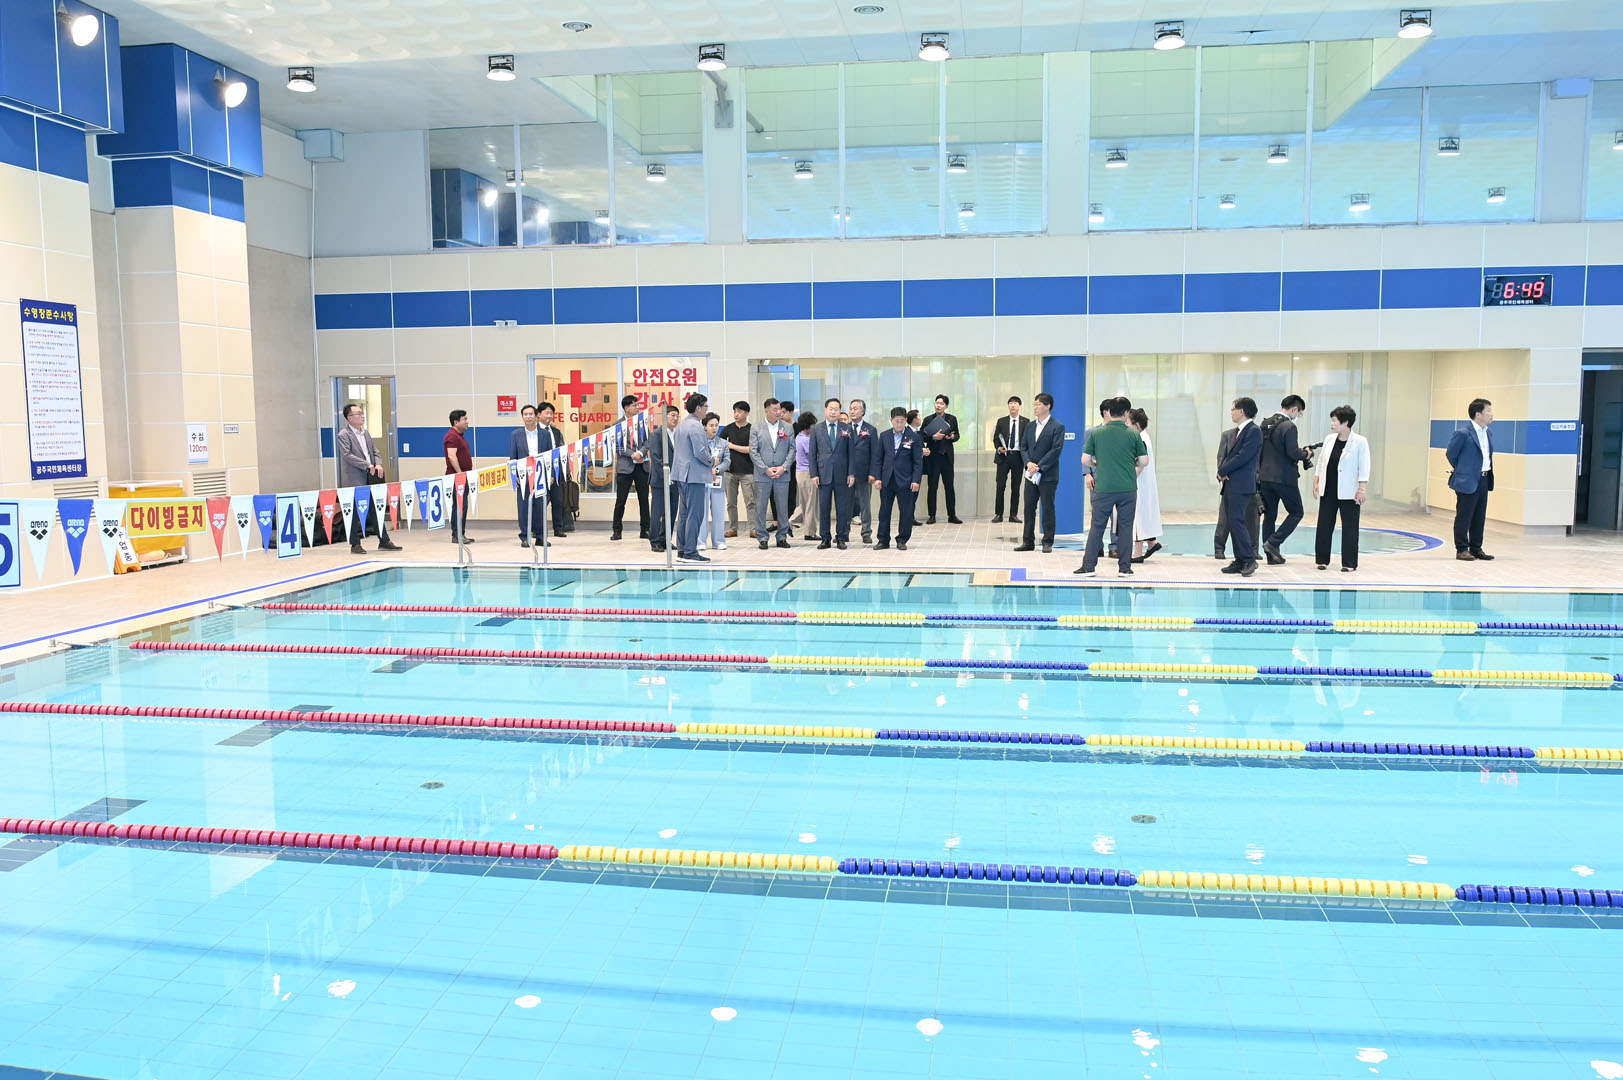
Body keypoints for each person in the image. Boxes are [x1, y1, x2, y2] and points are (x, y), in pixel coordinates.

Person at [1075, 398, 1148, 576]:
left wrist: (1096, 464)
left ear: (1109, 412)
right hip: (1127, 488)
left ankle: (1088, 566)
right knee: (1126, 528)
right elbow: (1144, 461)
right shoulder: (1133, 434)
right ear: (1126, 413)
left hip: (1104, 488)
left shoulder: (1097, 433)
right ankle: (1125, 568)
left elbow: (1085, 459)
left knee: (1097, 527)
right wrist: (1129, 463)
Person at [335, 403, 401, 554]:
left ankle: (384, 540)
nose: (362, 416)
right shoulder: (343, 435)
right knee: (353, 513)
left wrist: (378, 464)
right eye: (358, 413)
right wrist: (367, 465)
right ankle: (355, 544)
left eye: (362, 413)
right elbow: (347, 455)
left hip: (370, 477)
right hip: (354, 479)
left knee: (375, 509)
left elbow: (375, 451)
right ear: (349, 418)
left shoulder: (365, 433)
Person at [1313, 405, 1371, 572]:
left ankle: (1349, 563)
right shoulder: (1329, 439)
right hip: (1328, 490)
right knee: (1324, 526)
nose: (1332, 423)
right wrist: (1316, 481)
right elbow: (1321, 461)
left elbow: (1364, 466)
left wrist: (1362, 489)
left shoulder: (1360, 442)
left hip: (1349, 492)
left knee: (1350, 528)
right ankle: (1322, 560)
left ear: (1345, 423)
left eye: (1334, 420)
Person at [1257, 395, 1314, 565]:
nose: (1298, 416)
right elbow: (1293, 453)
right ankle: (1273, 543)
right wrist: (1307, 454)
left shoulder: (1265, 423)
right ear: (1294, 409)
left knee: (1269, 516)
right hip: (1284, 478)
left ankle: (1271, 556)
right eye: (1299, 413)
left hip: (1265, 477)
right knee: (1297, 512)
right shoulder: (1289, 426)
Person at [1445, 397, 1496, 561]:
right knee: (1464, 516)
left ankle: (1476, 548)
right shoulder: (1463, 433)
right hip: (1467, 480)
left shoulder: (1487, 432)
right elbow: (1451, 454)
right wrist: (1463, 470)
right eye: (1488, 411)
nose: (1491, 414)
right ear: (1478, 414)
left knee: (1479, 516)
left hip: (1484, 478)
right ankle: (1461, 549)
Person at [1217, 397, 1263, 576]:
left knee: (1237, 521)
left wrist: (1223, 469)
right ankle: (1239, 560)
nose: (1231, 412)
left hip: (1242, 484)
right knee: (1232, 521)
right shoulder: (1237, 431)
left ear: (1242, 411)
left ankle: (1249, 559)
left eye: (1233, 409)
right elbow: (1230, 455)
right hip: (1231, 483)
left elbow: (1243, 456)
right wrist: (1224, 471)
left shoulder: (1254, 431)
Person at [1015, 393, 1064, 552]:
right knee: (1029, 508)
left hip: (1047, 475)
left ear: (1047, 406)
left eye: (1038, 404)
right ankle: (1027, 541)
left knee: (1048, 508)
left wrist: (1039, 466)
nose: (1035, 407)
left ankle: (1047, 541)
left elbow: (1056, 450)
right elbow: (1023, 447)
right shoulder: (1030, 426)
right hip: (1031, 474)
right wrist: (1028, 463)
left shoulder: (1057, 426)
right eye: (1034, 404)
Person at [872, 406, 923, 551]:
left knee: (906, 512)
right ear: (891, 421)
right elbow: (878, 459)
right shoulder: (884, 436)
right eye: (896, 421)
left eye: (902, 421)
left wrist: (916, 480)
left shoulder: (913, 437)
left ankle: (902, 540)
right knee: (884, 512)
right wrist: (877, 478)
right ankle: (883, 540)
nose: (899, 424)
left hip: (906, 481)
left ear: (906, 420)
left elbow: (918, 462)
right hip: (887, 480)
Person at [1081, 398, 1125, 557]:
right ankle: (1097, 546)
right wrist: (1087, 474)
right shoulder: (1091, 432)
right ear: (1106, 412)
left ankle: (1114, 547)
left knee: (1116, 516)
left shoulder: (1122, 432)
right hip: (1097, 479)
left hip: (1116, 480)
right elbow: (1085, 454)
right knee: (1098, 514)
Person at [810, 397, 855, 550]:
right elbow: (812, 454)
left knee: (842, 508)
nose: (833, 411)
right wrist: (814, 474)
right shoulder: (816, 429)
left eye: (836, 409)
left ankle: (841, 537)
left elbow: (852, 453)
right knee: (824, 508)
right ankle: (825, 538)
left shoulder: (847, 428)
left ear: (840, 411)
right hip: (823, 474)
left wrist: (851, 473)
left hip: (842, 474)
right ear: (825, 410)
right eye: (831, 409)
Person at [671, 393, 712, 562]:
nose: (706, 410)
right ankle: (690, 552)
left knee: (684, 514)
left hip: (681, 474)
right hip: (693, 475)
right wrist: (712, 461)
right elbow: (700, 452)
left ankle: (682, 550)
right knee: (695, 514)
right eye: (705, 406)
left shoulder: (682, 425)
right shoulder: (695, 426)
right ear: (698, 408)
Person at [750, 398, 794, 550]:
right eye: (775, 409)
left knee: (782, 507)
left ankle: (782, 537)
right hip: (763, 474)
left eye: (779, 409)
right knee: (761, 506)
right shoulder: (756, 428)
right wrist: (765, 469)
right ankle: (762, 537)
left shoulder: (788, 427)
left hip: (782, 474)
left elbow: (792, 450)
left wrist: (784, 467)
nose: (778, 412)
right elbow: (753, 451)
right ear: (766, 410)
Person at [508, 404, 550, 548]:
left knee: (540, 507)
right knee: (523, 507)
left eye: (531, 414)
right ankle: (525, 537)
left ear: (536, 416)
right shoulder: (516, 434)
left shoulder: (545, 434)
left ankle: (541, 537)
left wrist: (550, 474)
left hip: (540, 474)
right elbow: (513, 457)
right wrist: (515, 476)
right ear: (522, 417)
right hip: (523, 475)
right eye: (525, 414)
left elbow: (549, 455)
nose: (528, 417)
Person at [611, 394, 649, 542]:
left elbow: (648, 441)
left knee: (644, 500)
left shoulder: (642, 423)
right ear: (626, 408)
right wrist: (633, 454)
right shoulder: (617, 425)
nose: (638, 407)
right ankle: (617, 530)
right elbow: (617, 445)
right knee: (621, 500)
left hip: (642, 466)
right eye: (635, 405)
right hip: (625, 467)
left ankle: (645, 529)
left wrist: (641, 453)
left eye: (638, 405)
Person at [921, 394, 962, 524]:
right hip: (933, 457)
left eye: (941, 403)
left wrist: (952, 437)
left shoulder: (952, 419)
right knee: (932, 487)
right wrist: (933, 437)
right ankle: (932, 515)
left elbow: (957, 435)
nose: (938, 405)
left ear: (946, 406)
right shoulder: (928, 419)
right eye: (937, 403)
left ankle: (952, 515)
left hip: (947, 457)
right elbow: (921, 436)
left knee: (949, 487)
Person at [1128, 408, 1162, 562]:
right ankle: (1152, 543)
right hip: (1144, 483)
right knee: (1142, 514)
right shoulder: (1144, 437)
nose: (1126, 425)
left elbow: (1140, 465)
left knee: (1137, 516)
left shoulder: (1140, 439)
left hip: (1138, 483)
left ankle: (1137, 553)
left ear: (1136, 425)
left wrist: (1128, 479)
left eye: (1128, 423)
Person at [647, 404, 681, 553]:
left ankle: (665, 539)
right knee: (657, 512)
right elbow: (656, 458)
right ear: (665, 416)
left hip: (676, 480)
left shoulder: (677, 434)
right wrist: (667, 476)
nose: (675, 418)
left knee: (672, 512)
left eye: (677, 416)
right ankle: (655, 540)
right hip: (661, 480)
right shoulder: (656, 434)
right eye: (672, 415)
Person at [535, 402, 571, 536]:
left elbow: (562, 451)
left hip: (556, 471)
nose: (549, 416)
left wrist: (566, 470)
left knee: (558, 501)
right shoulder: (534, 431)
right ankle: (536, 529)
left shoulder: (556, 431)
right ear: (539, 415)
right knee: (539, 503)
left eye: (551, 413)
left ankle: (558, 528)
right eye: (546, 413)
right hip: (540, 471)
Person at [845, 399, 878, 546]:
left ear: (863, 411)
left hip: (864, 473)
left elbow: (875, 454)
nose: (852, 411)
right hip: (847, 474)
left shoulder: (870, 430)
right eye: (851, 408)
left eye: (856, 408)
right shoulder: (844, 429)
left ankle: (866, 532)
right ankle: (844, 532)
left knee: (865, 504)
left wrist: (873, 473)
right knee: (846, 504)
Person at [720, 401, 755, 539]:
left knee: (751, 501)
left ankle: (753, 528)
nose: (736, 414)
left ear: (746, 413)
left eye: (739, 411)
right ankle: (733, 528)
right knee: (731, 502)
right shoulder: (728, 429)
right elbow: (720, 446)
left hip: (748, 471)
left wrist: (732, 446)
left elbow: (751, 449)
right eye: (735, 411)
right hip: (730, 471)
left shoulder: (752, 429)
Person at [991, 396, 1028, 524]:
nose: (1013, 405)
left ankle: (1013, 514)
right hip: (1003, 456)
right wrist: (999, 448)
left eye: (1015, 403)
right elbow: (996, 438)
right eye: (1010, 403)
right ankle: (998, 514)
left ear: (1019, 406)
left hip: (1018, 457)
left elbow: (1027, 440)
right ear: (1008, 406)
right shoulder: (1001, 421)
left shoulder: (1026, 422)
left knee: (1016, 487)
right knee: (1000, 485)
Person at [698, 412, 730, 551]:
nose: (714, 428)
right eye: (711, 425)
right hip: (702, 480)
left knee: (718, 511)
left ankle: (718, 541)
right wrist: (707, 471)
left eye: (716, 425)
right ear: (705, 426)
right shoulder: (699, 442)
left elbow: (727, 461)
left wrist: (716, 470)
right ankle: (700, 541)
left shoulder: (723, 443)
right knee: (702, 512)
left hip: (718, 480)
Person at [443, 408, 473, 543]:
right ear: (456, 422)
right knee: (459, 506)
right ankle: (457, 535)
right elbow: (451, 456)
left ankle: (460, 534)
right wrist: (460, 473)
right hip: (456, 478)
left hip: (462, 476)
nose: (467, 421)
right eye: (464, 419)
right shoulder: (452, 436)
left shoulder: (459, 436)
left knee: (462, 506)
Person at [792, 411, 817, 539]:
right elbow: (814, 455)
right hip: (807, 473)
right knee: (810, 504)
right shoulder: (806, 440)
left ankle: (791, 523)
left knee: (806, 502)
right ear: (808, 426)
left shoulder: (798, 437)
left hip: (800, 472)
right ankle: (809, 532)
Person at [907, 409, 927, 527]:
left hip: (918, 468)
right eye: (919, 416)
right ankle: (908, 517)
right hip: (909, 469)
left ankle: (911, 516)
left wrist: (924, 451)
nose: (920, 419)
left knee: (914, 494)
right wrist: (921, 451)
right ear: (914, 419)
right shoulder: (907, 432)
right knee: (910, 494)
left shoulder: (918, 433)